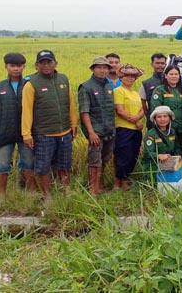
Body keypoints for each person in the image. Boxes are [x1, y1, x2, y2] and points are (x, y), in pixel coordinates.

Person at [22, 50, 78, 200]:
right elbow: (26, 111)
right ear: (36, 66)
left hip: (64, 132)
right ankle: (47, 196)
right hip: (43, 134)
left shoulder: (63, 79)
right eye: (42, 63)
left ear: (55, 63)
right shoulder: (31, 84)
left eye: (49, 62)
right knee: (43, 167)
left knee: (64, 164)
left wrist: (73, 123)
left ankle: (66, 191)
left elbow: (71, 104)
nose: (46, 65)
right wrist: (26, 134)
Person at [0, 53, 35, 205]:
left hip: (25, 132)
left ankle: (32, 194)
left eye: (19, 66)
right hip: (5, 132)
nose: (16, 69)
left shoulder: (30, 84)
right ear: (6, 66)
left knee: (28, 162)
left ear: (24, 67)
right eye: (12, 66)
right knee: (2, 165)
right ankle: (2, 196)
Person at [78, 57, 115, 195]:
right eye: (99, 67)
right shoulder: (86, 87)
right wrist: (91, 132)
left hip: (109, 130)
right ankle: (93, 189)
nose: (102, 70)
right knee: (94, 160)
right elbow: (84, 111)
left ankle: (100, 185)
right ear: (93, 69)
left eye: (105, 67)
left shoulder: (108, 85)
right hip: (96, 131)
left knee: (104, 159)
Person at [113, 64, 145, 190]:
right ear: (121, 77)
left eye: (133, 76)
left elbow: (143, 109)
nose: (130, 78)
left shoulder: (136, 94)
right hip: (123, 128)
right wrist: (135, 121)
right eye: (127, 76)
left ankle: (125, 179)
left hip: (136, 130)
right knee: (122, 156)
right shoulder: (118, 91)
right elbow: (120, 110)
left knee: (133, 155)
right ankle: (117, 181)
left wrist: (137, 119)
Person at [141, 106, 179, 183]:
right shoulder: (151, 134)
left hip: (169, 161)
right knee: (159, 180)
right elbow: (148, 153)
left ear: (169, 118)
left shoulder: (172, 132)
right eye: (159, 117)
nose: (162, 119)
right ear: (155, 119)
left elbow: (177, 148)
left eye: (165, 116)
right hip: (153, 164)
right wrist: (159, 156)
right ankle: (149, 178)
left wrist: (176, 158)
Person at [151, 65, 182, 144]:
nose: (174, 76)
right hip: (166, 128)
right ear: (166, 76)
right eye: (171, 74)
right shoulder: (159, 90)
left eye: (176, 74)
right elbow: (156, 110)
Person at [139, 53, 167, 127]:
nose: (160, 65)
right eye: (157, 63)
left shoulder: (172, 80)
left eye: (162, 63)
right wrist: (148, 115)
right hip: (153, 120)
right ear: (152, 64)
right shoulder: (146, 83)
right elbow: (142, 102)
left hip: (169, 119)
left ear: (165, 64)